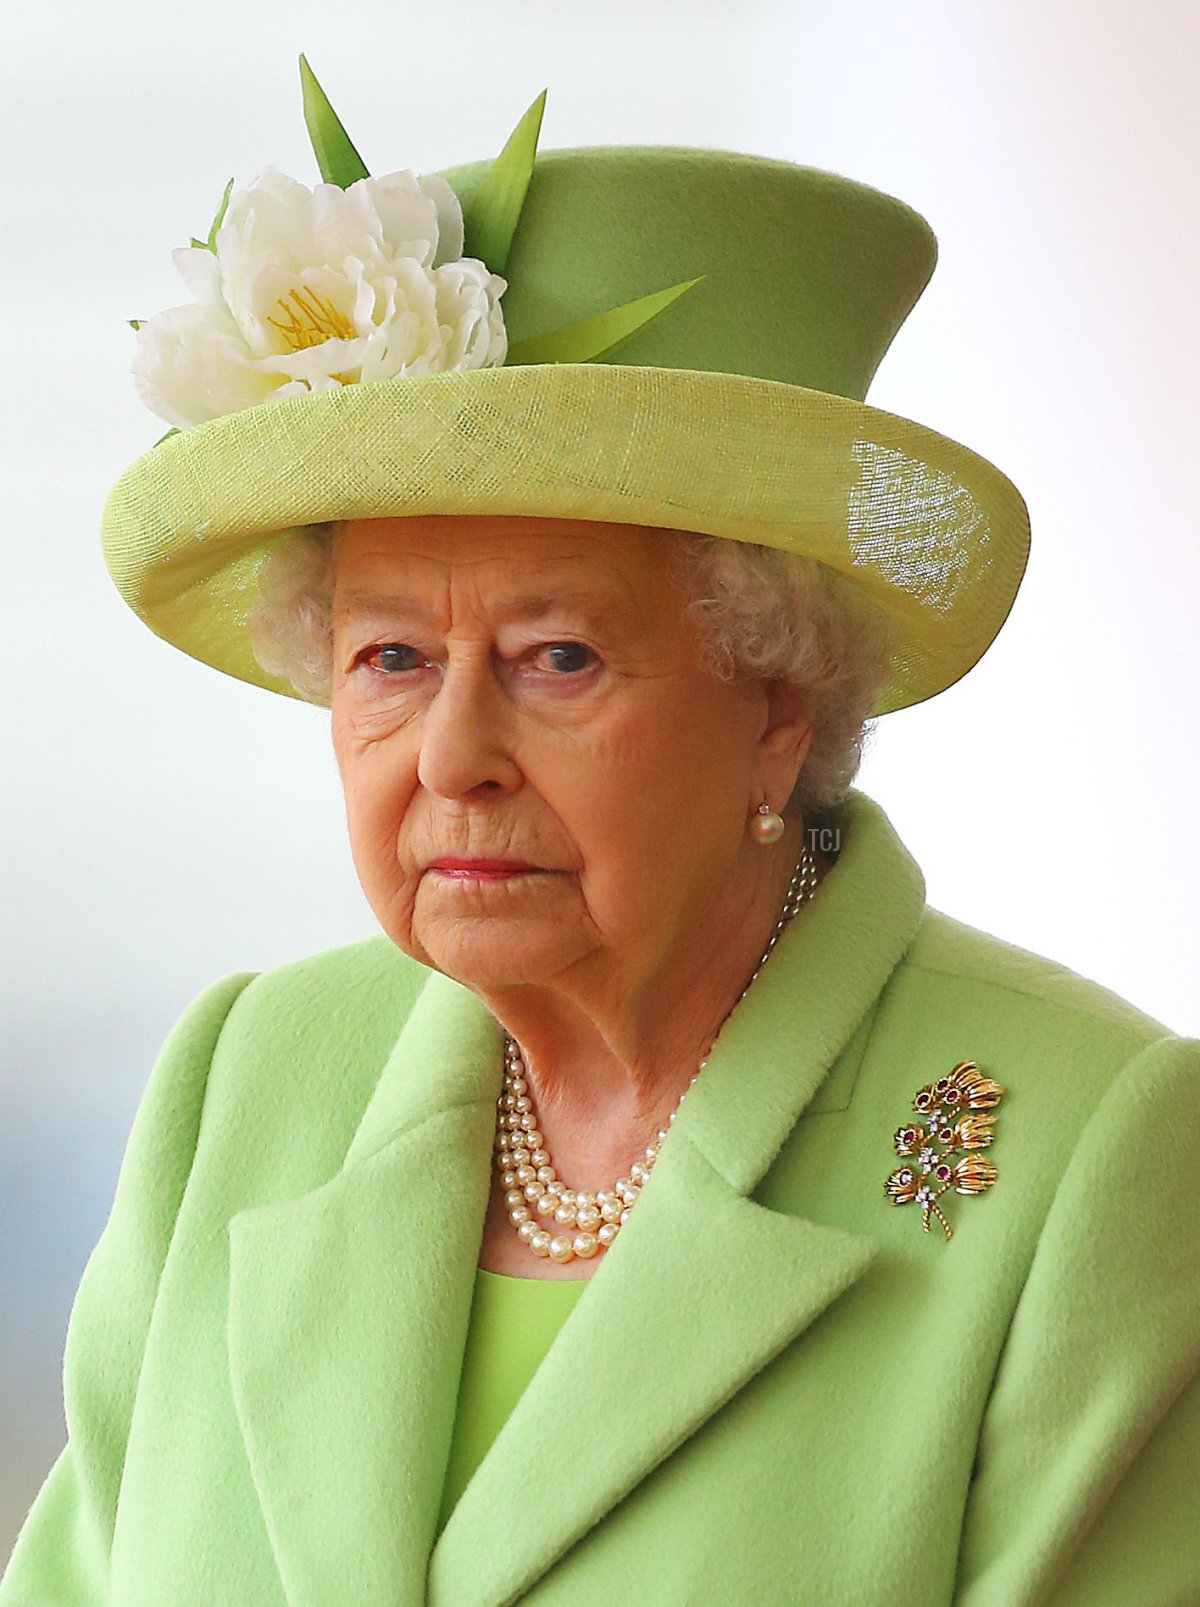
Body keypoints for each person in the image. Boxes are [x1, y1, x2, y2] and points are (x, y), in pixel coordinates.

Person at [3, 62, 1198, 1607]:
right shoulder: (245, 1078)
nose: (452, 758)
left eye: (557, 656)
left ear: (776, 699)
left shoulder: (1086, 1150)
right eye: (390, 660)